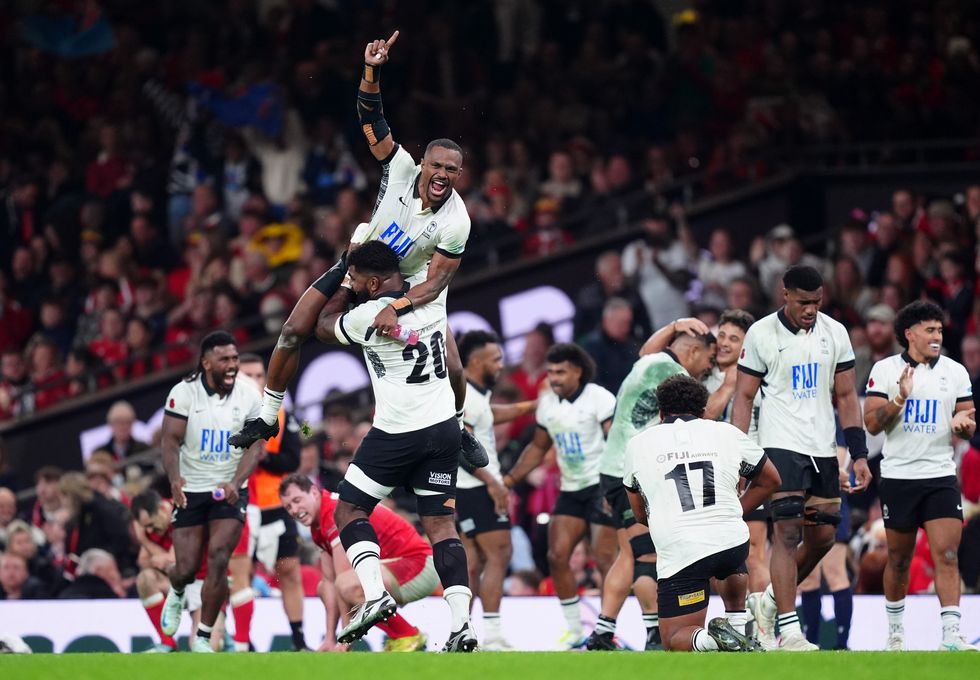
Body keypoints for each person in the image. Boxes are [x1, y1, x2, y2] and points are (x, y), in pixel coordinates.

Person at [229, 30, 487, 475]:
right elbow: (371, 118)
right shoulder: (400, 165)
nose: (442, 174)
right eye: (437, 165)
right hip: (361, 264)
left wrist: (397, 306)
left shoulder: (457, 220)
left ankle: (461, 429)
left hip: (406, 282)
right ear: (423, 163)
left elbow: (439, 280)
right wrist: (371, 70)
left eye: (451, 169)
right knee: (292, 329)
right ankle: (268, 418)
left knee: (452, 361)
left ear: (459, 175)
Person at [310, 240, 478, 651]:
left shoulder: (368, 314)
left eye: (355, 279)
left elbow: (321, 324)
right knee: (441, 526)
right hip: (443, 429)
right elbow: (456, 367)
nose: (351, 284)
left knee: (348, 507)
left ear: (371, 283)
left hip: (399, 431)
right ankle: (462, 627)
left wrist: (345, 287)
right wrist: (458, 420)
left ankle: (373, 594)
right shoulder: (433, 299)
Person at [733, 265, 871, 651]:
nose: (811, 309)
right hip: (781, 446)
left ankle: (770, 603)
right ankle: (790, 629)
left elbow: (845, 397)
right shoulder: (761, 333)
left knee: (824, 537)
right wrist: (739, 453)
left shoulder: (836, 333)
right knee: (788, 533)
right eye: (803, 301)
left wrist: (858, 454)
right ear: (785, 295)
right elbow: (743, 397)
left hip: (824, 448)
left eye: (817, 301)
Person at [623, 375, 780, 652]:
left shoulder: (638, 444)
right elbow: (771, 480)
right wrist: (734, 510)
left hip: (684, 552)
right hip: (732, 543)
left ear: (660, 413)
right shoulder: (726, 432)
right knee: (729, 557)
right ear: (703, 411)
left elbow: (638, 513)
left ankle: (713, 639)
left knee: (674, 638)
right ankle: (739, 629)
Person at [587, 320, 716, 652]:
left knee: (627, 555)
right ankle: (653, 634)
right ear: (693, 350)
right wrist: (729, 384)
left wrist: (673, 326)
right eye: (709, 359)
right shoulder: (675, 377)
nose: (709, 367)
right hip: (634, 472)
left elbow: (646, 350)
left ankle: (602, 631)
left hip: (613, 469)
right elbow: (705, 416)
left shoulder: (652, 362)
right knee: (649, 554)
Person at [864, 301, 978, 651]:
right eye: (930, 330)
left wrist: (965, 427)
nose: (937, 337)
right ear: (909, 334)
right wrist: (900, 397)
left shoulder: (956, 372)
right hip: (898, 476)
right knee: (898, 559)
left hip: (940, 476)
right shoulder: (884, 370)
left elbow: (968, 423)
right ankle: (896, 634)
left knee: (947, 555)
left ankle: (951, 636)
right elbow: (871, 423)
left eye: (940, 331)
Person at [503, 343, 618, 649]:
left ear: (577, 372)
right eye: (550, 371)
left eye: (560, 371)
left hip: (601, 486)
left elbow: (616, 442)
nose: (553, 377)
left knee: (606, 558)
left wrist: (615, 485)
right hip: (571, 488)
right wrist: (511, 479)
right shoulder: (547, 404)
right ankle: (574, 629)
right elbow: (538, 448)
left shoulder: (600, 398)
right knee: (556, 556)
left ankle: (608, 630)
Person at [157, 331, 264, 653]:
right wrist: (174, 480)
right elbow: (170, 441)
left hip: (229, 490)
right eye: (225, 360)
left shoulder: (249, 394)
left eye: (235, 358)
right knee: (186, 569)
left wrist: (236, 482)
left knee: (219, 558)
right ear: (206, 363)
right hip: (190, 490)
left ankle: (203, 637)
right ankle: (176, 592)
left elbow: (255, 444)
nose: (232, 365)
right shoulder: (184, 393)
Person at [280, 475, 432, 653]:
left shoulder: (333, 512)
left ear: (314, 492)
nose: (294, 510)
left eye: (297, 500)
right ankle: (400, 638)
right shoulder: (318, 524)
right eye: (288, 507)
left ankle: (407, 634)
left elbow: (343, 582)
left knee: (348, 585)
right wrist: (329, 639)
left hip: (418, 565)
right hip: (397, 567)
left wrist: (344, 642)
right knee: (324, 587)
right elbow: (329, 582)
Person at [456, 330, 537, 651]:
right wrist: (494, 484)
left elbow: (489, 417)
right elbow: (461, 448)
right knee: (499, 554)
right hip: (477, 487)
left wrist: (531, 405)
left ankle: (462, 630)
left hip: (465, 489)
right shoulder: (465, 396)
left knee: (472, 563)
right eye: (496, 359)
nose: (502, 365)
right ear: (476, 362)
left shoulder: (473, 396)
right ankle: (492, 635)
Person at [238, 353, 308, 651]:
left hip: (275, 506)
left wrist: (265, 457)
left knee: (289, 570)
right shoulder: (226, 413)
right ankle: (244, 641)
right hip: (240, 506)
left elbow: (293, 458)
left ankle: (298, 639)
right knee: (242, 576)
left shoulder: (281, 414)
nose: (255, 381)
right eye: (248, 376)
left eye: (258, 375)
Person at [57, 548, 125, 599]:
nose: (117, 574)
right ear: (99, 571)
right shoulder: (109, 598)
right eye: (113, 569)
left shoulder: (64, 595)